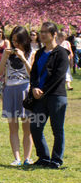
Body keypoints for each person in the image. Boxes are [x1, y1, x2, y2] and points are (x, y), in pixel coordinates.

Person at [28, 21, 71, 169]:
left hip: (56, 96)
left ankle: (56, 160)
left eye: (46, 32)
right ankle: (44, 157)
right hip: (38, 96)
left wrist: (43, 91)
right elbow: (33, 73)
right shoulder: (39, 52)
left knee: (57, 129)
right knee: (35, 127)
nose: (42, 34)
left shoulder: (62, 53)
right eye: (41, 31)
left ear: (54, 34)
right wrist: (34, 87)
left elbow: (58, 76)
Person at [0, 26, 33, 166]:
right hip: (10, 90)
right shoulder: (8, 54)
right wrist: (5, 57)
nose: (15, 44)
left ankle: (27, 158)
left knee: (27, 128)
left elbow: (33, 75)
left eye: (18, 41)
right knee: (13, 127)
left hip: (25, 89)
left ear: (25, 40)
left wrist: (23, 58)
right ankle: (17, 158)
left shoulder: (32, 53)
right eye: (13, 41)